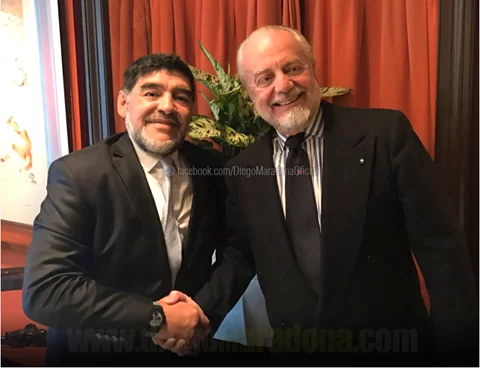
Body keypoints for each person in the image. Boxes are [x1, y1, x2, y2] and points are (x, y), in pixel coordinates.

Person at [161, 26, 478, 365]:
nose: (283, 85)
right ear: (249, 92)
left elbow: (440, 248)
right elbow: (241, 255)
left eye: (292, 68)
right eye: (265, 78)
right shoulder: (243, 170)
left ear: (313, 69)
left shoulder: (384, 136)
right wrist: (200, 311)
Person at [22, 53, 226, 366]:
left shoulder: (212, 169)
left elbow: (234, 251)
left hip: (187, 350)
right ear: (123, 103)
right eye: (151, 93)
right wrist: (157, 318)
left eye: (181, 97)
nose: (167, 106)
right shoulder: (79, 175)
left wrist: (200, 312)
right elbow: (46, 291)